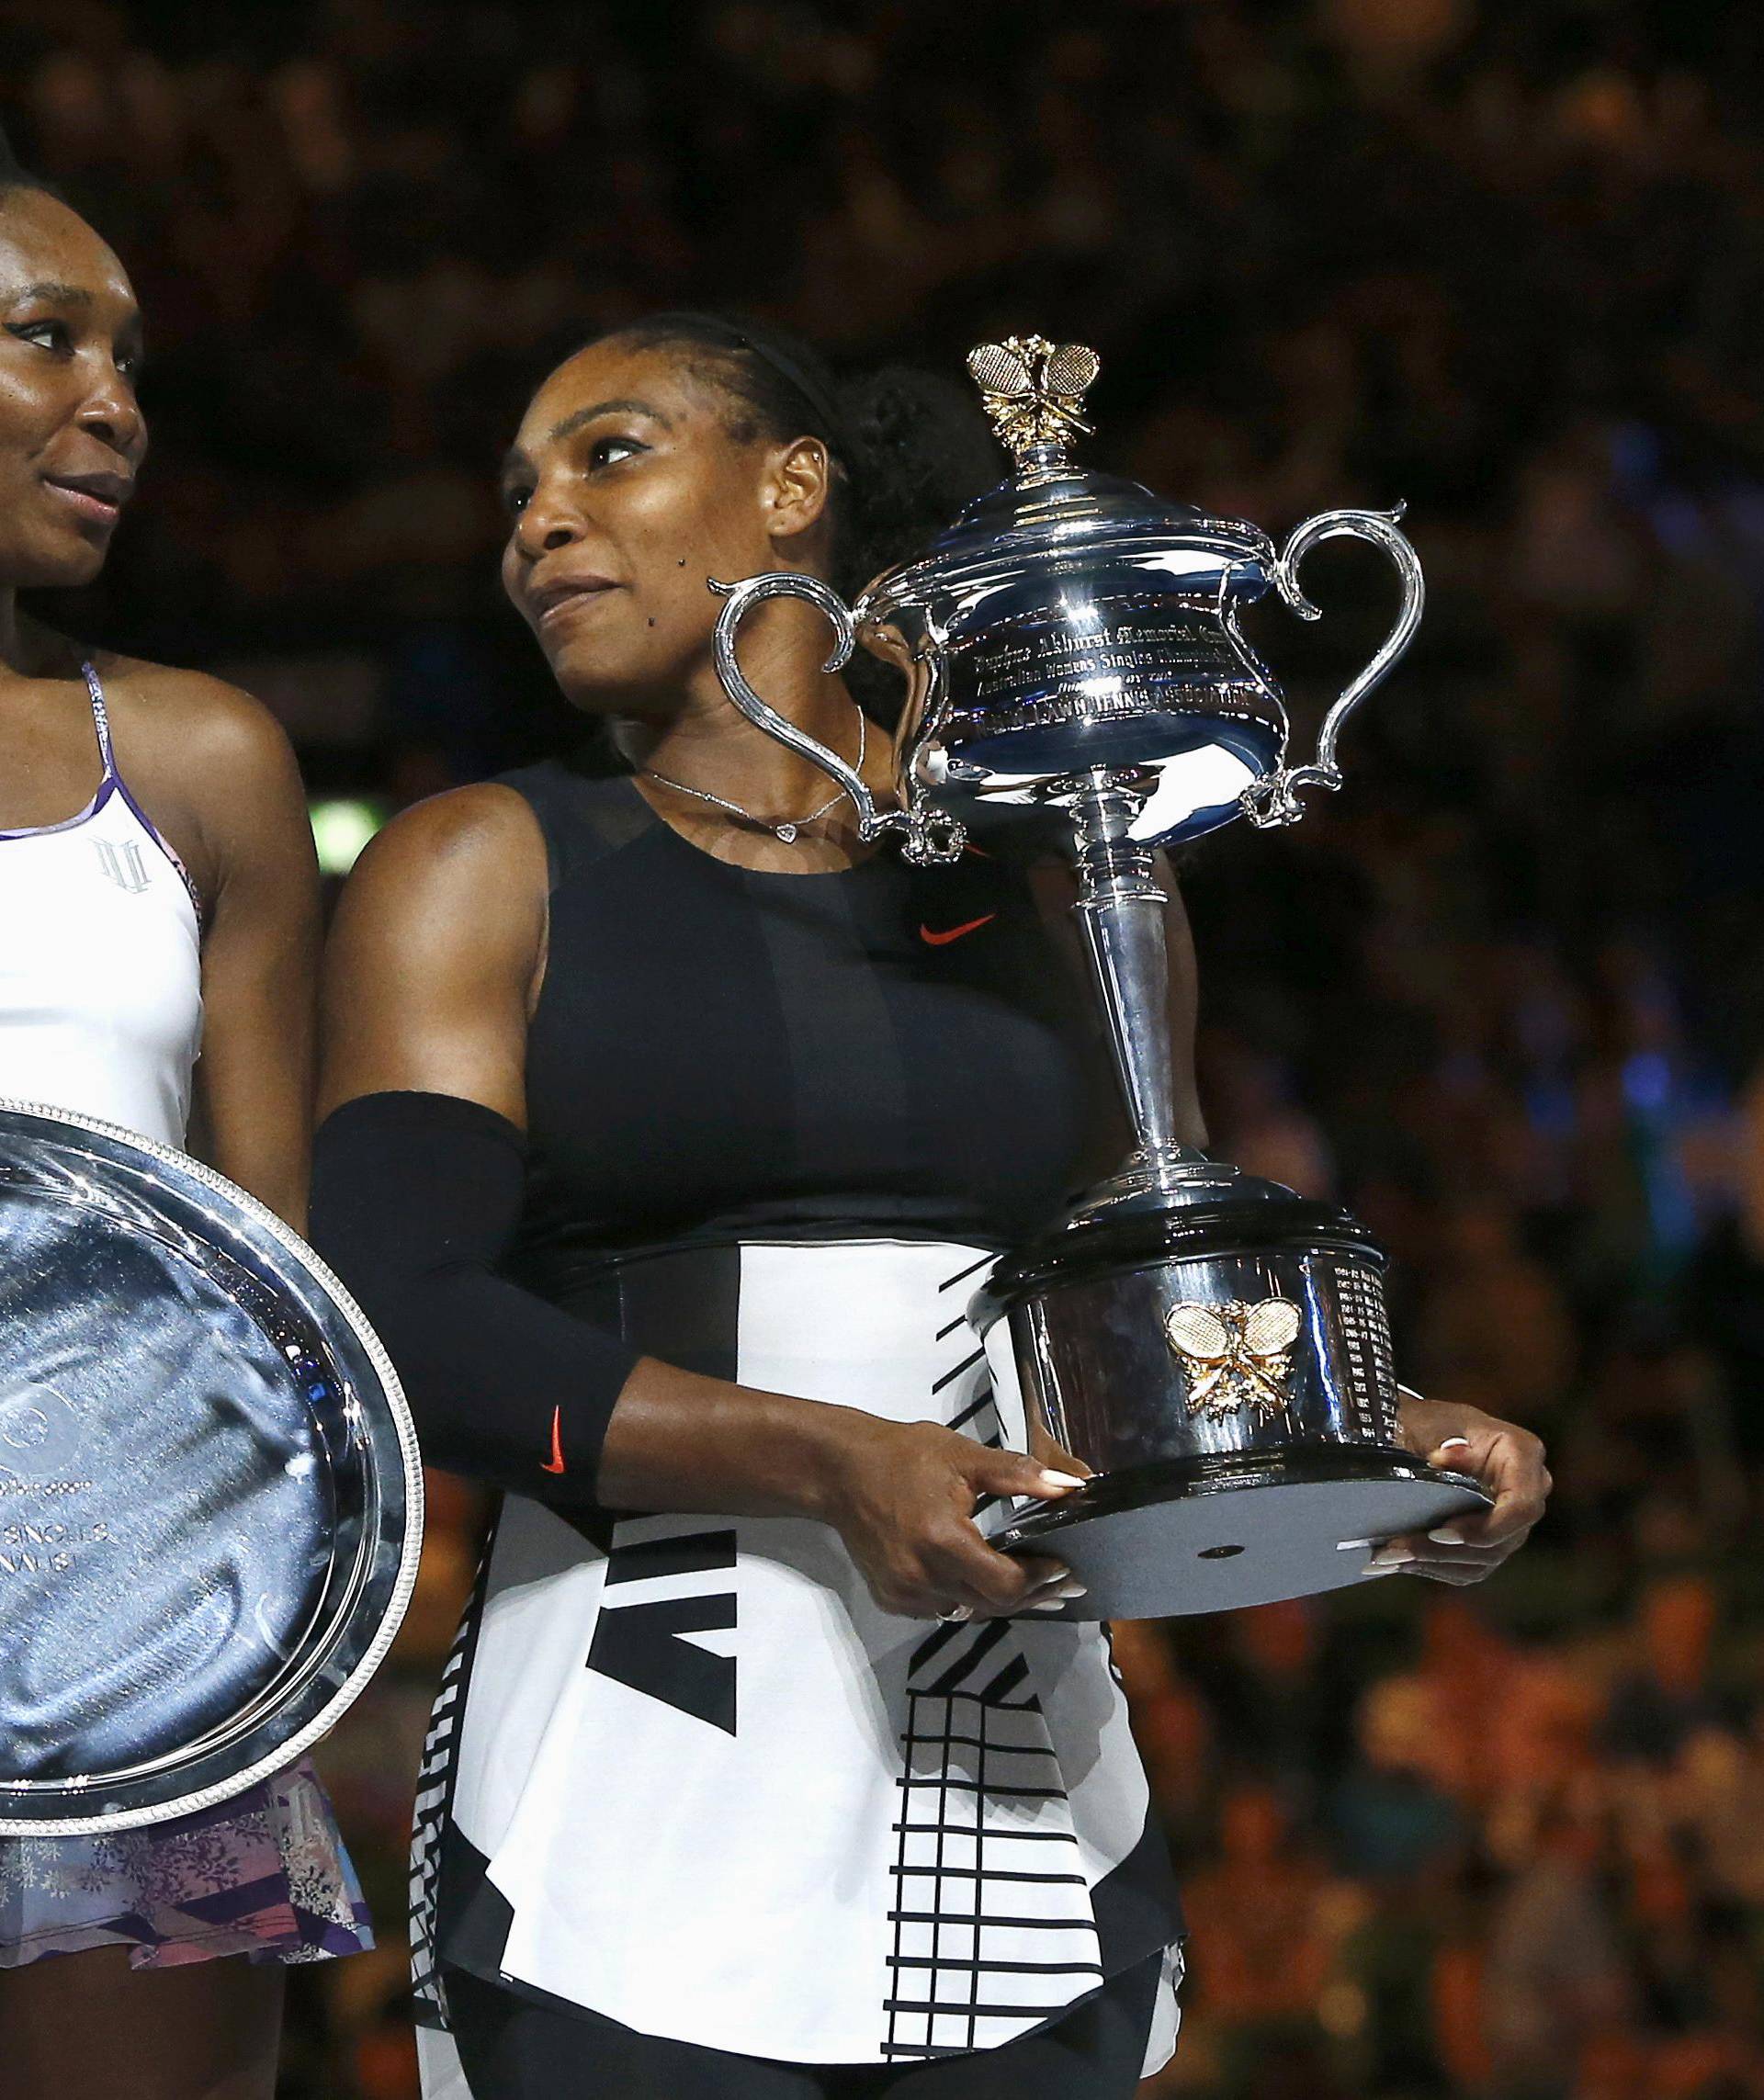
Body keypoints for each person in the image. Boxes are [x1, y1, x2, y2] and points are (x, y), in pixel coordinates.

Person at [310, 313, 1551, 2100]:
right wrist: (830, 1459)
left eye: (609, 453)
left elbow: (1149, 1303)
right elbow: (401, 1319)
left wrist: (1357, 1435)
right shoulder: (480, 864)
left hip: (1017, 1791)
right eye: (518, 492)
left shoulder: (1068, 871)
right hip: (623, 1788)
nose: (539, 524)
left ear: (794, 486)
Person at [0, 138, 372, 2099]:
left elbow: (281, 1287)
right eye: (46, 338)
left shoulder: (208, 760)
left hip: (146, 1614)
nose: (115, 403)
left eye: (130, 356)